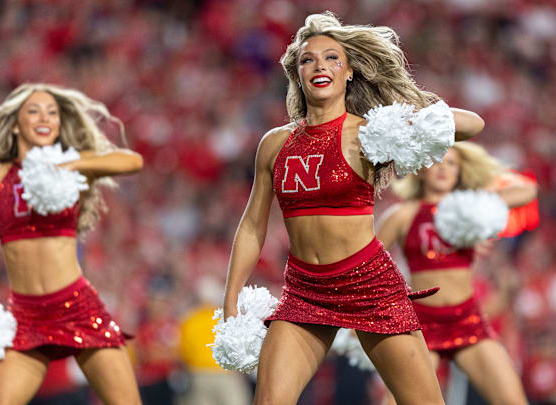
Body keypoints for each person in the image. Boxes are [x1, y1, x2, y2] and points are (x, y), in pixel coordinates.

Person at [221, 12, 484, 405]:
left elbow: (473, 124)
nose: (319, 66)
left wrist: (415, 113)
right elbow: (252, 228)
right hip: (304, 291)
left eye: (332, 58)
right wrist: (230, 302)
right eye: (308, 59)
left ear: (349, 73)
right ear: (297, 74)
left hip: (369, 286)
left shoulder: (370, 132)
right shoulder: (275, 144)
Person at [0, 83, 143, 405]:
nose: (46, 118)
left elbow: (132, 161)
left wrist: (72, 164)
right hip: (25, 317)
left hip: (78, 307)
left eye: (52, 112)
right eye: (34, 110)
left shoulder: (71, 168)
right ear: (15, 123)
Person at [377, 141, 535, 405]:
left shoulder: (471, 211)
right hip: (420, 325)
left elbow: (528, 191)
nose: (443, 169)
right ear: (421, 168)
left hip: (467, 319)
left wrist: (481, 185)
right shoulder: (403, 215)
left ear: (461, 172)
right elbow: (368, 262)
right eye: (437, 161)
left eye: (452, 163)